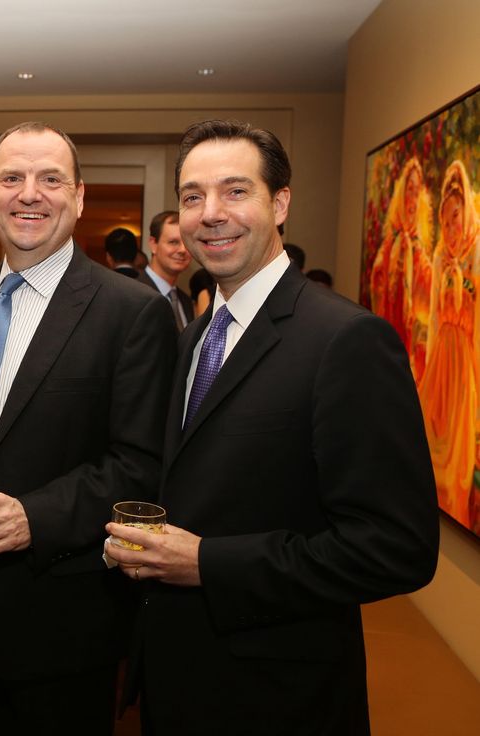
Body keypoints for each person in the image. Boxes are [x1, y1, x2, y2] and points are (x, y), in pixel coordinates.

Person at [105, 120, 438, 735]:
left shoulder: (346, 340)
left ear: (279, 202)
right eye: (192, 196)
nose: (210, 214)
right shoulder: (198, 334)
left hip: (278, 695)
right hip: (180, 681)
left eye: (235, 191)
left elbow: (396, 549)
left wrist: (208, 562)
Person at [0, 121, 177, 735]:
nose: (29, 194)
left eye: (50, 179)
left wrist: (33, 518)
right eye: (13, 178)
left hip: (59, 617)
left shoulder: (132, 313)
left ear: (78, 197)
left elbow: (140, 464)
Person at [417, 160, 479, 533]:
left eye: (457, 217)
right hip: (443, 356)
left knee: (458, 441)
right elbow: (437, 316)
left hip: (466, 361)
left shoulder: (476, 253)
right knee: (432, 434)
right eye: (446, 219)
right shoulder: (442, 256)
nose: (452, 226)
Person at [369, 157, 433, 380]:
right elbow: (376, 283)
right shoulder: (392, 243)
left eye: (417, 192)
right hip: (388, 326)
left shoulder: (418, 249)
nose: (412, 198)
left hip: (409, 334)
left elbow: (428, 295)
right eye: (409, 190)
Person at [142, 210, 194, 330]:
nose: (182, 250)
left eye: (187, 243)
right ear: (153, 244)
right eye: (173, 242)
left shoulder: (185, 301)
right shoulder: (132, 294)